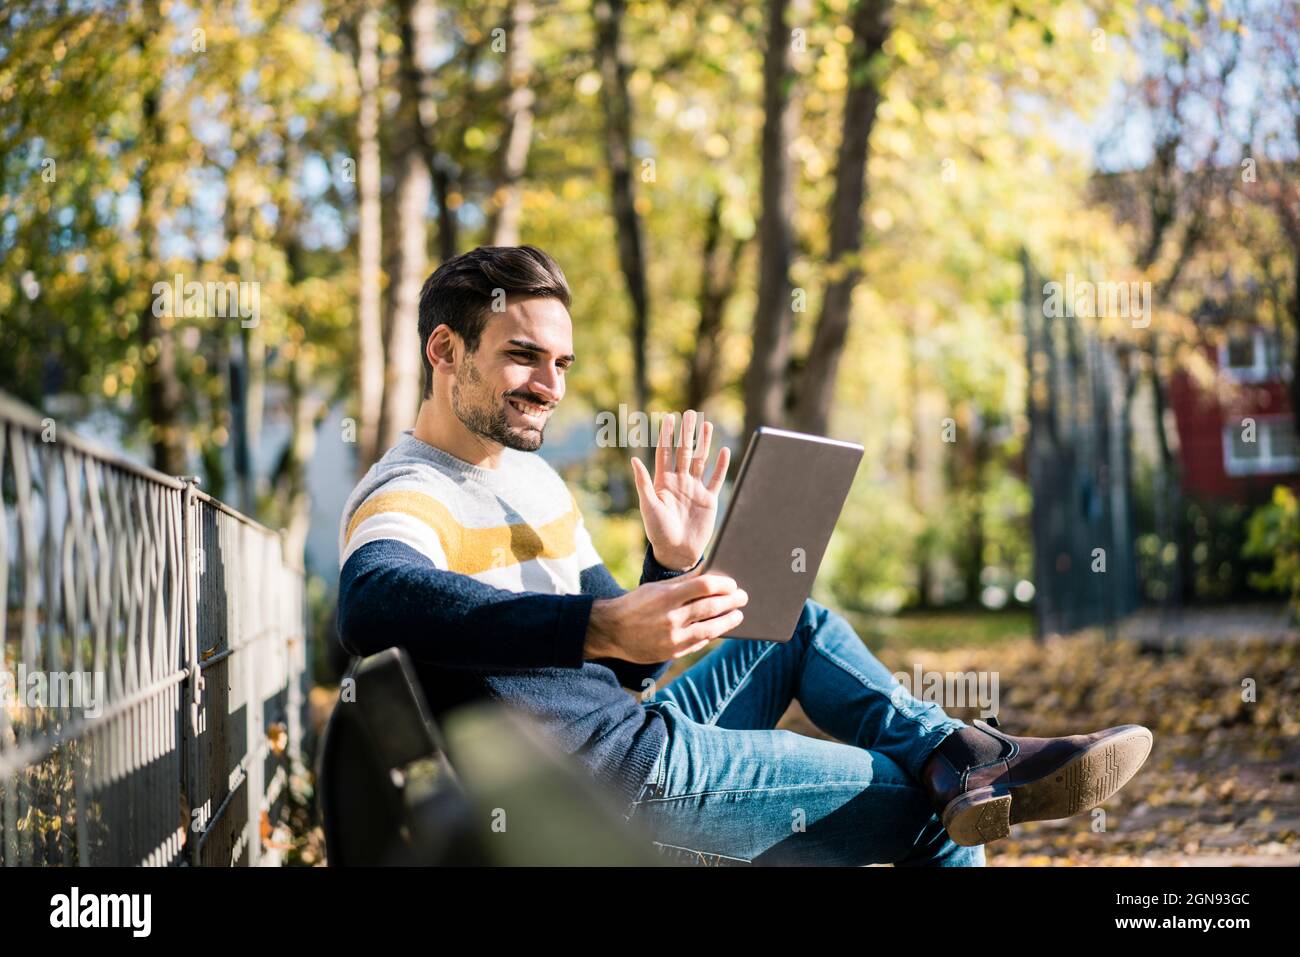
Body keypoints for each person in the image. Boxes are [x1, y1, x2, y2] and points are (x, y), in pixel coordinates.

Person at [336, 244, 1153, 866]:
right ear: (444, 351)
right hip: (609, 782)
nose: (549, 384)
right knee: (925, 813)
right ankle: (958, 772)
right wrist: (597, 622)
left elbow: (623, 667)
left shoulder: (534, 480)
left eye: (560, 363)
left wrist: (669, 563)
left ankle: (961, 755)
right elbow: (373, 599)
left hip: (630, 731)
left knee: (794, 627)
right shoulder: (408, 492)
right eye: (523, 356)